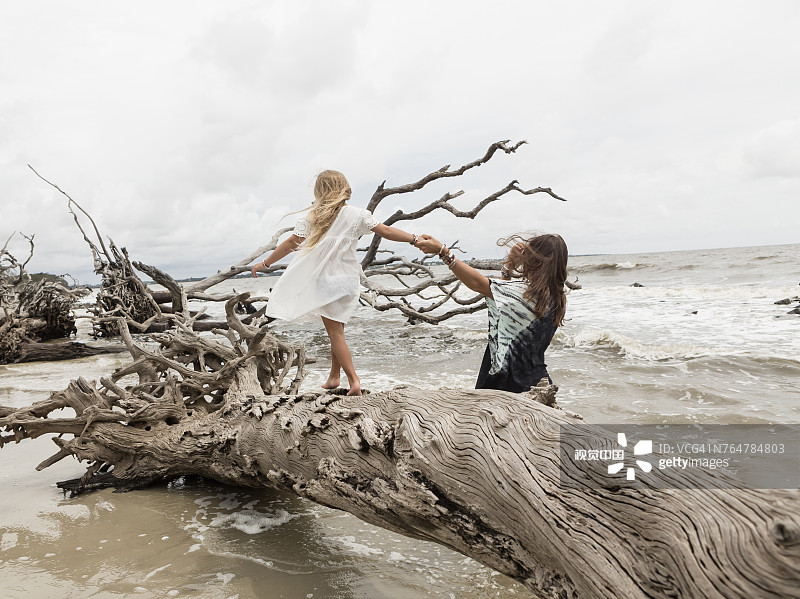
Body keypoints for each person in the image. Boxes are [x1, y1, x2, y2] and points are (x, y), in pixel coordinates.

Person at [251, 170, 419, 396]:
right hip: (348, 281)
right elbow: (386, 231)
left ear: (319, 191)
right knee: (338, 331)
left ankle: (354, 381)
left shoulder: (314, 217)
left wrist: (266, 263)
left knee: (335, 334)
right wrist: (414, 239)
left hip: (326, 282)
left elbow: (291, 243)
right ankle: (334, 376)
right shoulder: (357, 214)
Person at [415, 232, 568, 393]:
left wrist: (444, 252)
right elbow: (506, 306)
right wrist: (508, 268)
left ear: (535, 261)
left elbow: (477, 284)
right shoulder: (556, 297)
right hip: (534, 383)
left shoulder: (526, 294)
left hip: (507, 386)